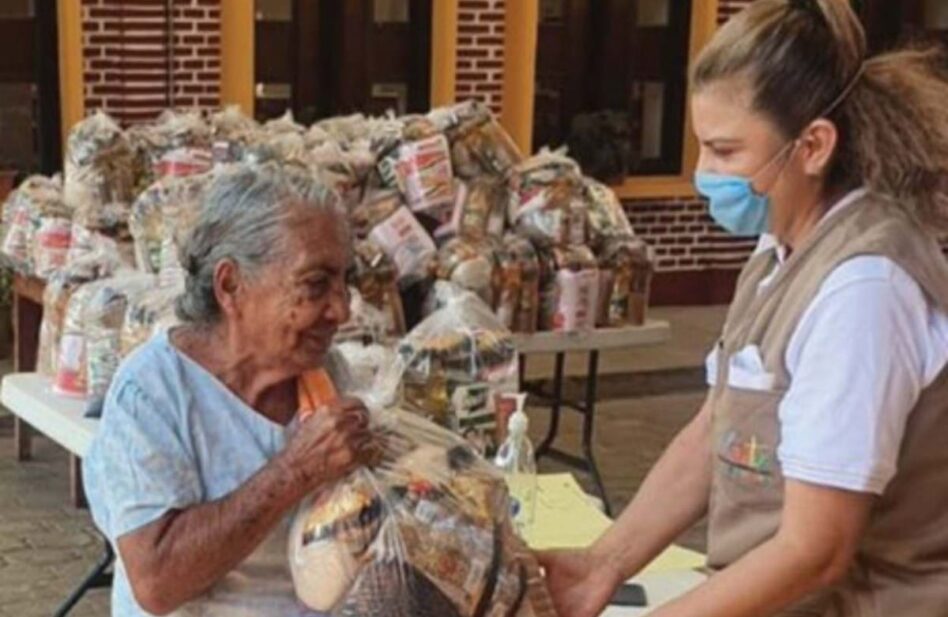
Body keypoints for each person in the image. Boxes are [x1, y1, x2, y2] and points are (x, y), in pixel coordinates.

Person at [539, 1, 948, 615]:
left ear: (813, 146)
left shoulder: (865, 288)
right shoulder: (780, 246)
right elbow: (716, 428)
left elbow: (816, 550)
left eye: (726, 152)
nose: (705, 175)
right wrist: (600, 566)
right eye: (701, 148)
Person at [83, 164, 377, 616]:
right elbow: (157, 581)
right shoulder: (152, 392)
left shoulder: (325, 372)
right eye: (316, 284)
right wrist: (296, 469)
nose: (340, 309)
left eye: (344, 281)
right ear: (231, 286)